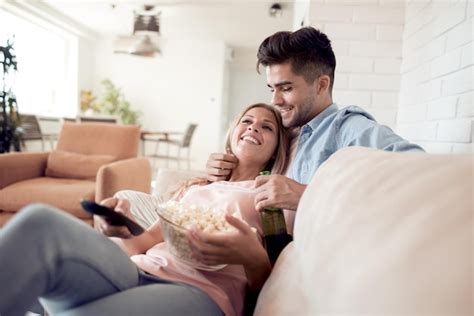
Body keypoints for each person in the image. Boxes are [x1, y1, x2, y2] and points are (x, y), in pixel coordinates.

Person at [0, 103, 290, 316]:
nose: (254, 127)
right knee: (39, 221)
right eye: (247, 121)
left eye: (267, 127)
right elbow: (143, 242)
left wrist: (252, 258)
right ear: (232, 134)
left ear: (277, 149)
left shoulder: (270, 195)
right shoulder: (196, 188)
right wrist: (113, 231)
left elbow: (275, 282)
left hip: (200, 293)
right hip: (138, 269)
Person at [206, 27, 424, 233]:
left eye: (286, 88)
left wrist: (306, 195)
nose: (275, 100)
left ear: (321, 85)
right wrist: (222, 168)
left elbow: (420, 180)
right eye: (272, 89)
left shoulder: (346, 128)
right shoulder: (286, 129)